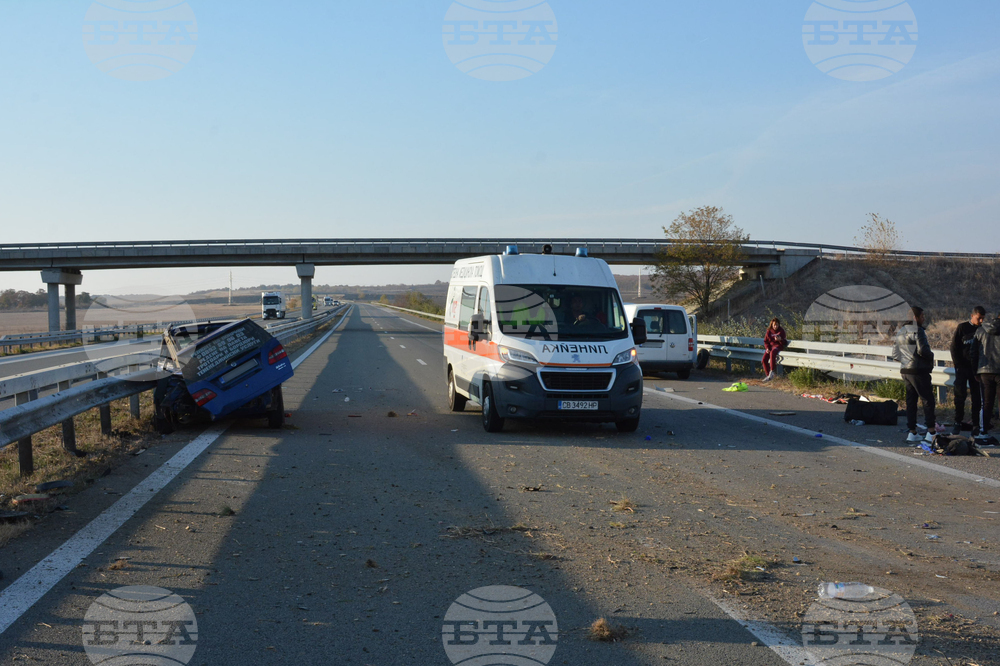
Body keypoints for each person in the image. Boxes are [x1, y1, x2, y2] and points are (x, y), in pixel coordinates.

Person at [893, 306, 936, 444]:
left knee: (911, 402)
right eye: (922, 316)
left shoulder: (900, 331)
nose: (924, 319)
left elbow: (895, 354)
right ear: (915, 318)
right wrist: (931, 356)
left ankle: (912, 432)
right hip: (918, 370)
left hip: (905, 370)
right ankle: (931, 432)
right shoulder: (918, 330)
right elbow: (923, 350)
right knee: (927, 400)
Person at [950, 306, 985, 434]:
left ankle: (975, 424)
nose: (980, 321)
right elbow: (954, 347)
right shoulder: (962, 328)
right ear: (972, 316)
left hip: (976, 369)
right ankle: (957, 422)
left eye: (982, 319)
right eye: (978, 318)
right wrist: (958, 365)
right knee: (960, 396)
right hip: (962, 367)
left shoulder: (982, 330)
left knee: (976, 397)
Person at [970, 310, 1000, 443]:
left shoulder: (981, 330)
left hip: (984, 371)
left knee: (986, 403)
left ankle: (983, 431)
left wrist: (975, 371)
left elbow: (973, 352)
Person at [761, 318, 786, 382]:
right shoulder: (769, 331)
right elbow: (766, 341)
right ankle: (768, 376)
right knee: (764, 360)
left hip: (778, 346)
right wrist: (767, 348)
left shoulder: (781, 331)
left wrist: (780, 340)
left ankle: (772, 371)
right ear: (772, 325)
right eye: (774, 325)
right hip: (770, 347)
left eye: (777, 325)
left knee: (773, 352)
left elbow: (785, 342)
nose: (775, 326)